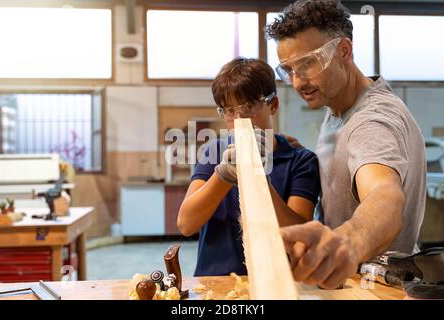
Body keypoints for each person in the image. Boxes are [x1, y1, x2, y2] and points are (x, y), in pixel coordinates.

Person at [266, 0, 426, 289]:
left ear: (344, 51)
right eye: (288, 70)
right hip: (346, 284)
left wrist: (345, 244)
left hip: (373, 289)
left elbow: (385, 195)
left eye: (307, 63)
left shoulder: (372, 121)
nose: (297, 82)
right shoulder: (337, 104)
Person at [177, 57, 321, 276]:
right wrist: (223, 175)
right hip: (215, 282)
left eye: (249, 107)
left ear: (272, 104)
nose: (239, 119)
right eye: (228, 110)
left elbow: (298, 236)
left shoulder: (301, 160)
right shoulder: (214, 152)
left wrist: (260, 180)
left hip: (277, 282)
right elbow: (186, 224)